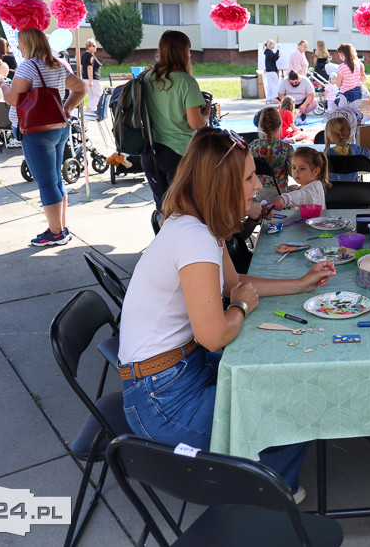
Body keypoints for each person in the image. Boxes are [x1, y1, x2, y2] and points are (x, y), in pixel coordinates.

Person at [118, 128, 335, 498]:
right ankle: (268, 491)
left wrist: (300, 283)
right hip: (163, 399)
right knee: (301, 401)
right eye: (249, 178)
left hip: (177, 373)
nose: (257, 185)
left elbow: (236, 283)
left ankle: (257, 466)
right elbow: (216, 333)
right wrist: (241, 307)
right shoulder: (194, 238)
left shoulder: (199, 224)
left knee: (280, 371)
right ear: (221, 184)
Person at [2, 27, 86, 246]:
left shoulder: (27, 67)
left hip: (36, 131)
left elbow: (13, 99)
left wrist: (2, 85)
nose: (18, 47)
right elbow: (80, 87)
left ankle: (56, 233)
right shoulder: (56, 64)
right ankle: (61, 226)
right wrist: (66, 109)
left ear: (29, 44)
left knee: (46, 183)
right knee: (56, 179)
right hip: (58, 127)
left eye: (20, 43)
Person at [140, 30, 211, 214]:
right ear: (184, 52)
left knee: (163, 211)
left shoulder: (147, 77)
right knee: (185, 212)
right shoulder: (186, 82)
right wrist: (207, 113)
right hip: (178, 154)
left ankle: (164, 242)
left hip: (150, 151)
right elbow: (196, 123)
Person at [248, 106, 292, 190]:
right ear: (280, 124)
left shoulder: (252, 146)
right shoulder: (286, 148)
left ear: (260, 125)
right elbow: (293, 173)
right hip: (281, 194)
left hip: (258, 193)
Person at [324, 115, 370, 182]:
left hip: (334, 189)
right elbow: (368, 153)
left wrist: (326, 147)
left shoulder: (329, 153)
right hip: (354, 188)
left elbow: (323, 162)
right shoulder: (355, 149)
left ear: (334, 136)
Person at [80, 38, 104, 113]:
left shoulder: (84, 55)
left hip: (85, 78)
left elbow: (81, 66)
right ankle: (89, 108)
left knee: (91, 96)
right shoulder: (90, 56)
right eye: (93, 45)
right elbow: (89, 68)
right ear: (88, 46)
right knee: (99, 94)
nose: (95, 47)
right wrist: (91, 81)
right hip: (93, 79)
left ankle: (92, 111)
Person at [263, 39, 282, 104]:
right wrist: (278, 49)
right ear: (270, 45)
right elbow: (274, 56)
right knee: (275, 85)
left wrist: (278, 55)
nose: (274, 45)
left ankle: (269, 99)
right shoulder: (269, 52)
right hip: (272, 71)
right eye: (273, 44)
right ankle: (275, 98)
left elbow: (274, 58)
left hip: (269, 71)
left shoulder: (268, 52)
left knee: (270, 85)